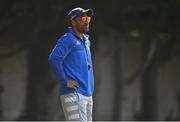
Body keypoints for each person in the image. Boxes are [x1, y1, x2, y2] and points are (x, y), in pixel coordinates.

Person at [48, 7, 95, 121]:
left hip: (87, 94)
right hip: (73, 94)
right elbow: (54, 59)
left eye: (87, 19)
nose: (86, 22)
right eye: (83, 19)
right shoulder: (68, 40)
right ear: (73, 22)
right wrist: (65, 81)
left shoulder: (86, 40)